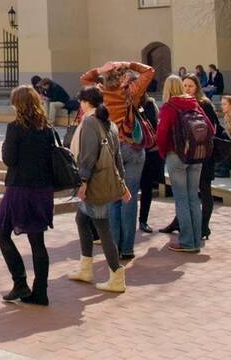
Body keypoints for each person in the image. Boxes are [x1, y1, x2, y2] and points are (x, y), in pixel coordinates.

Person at [79, 60, 154, 260]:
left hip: (111, 147)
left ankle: (113, 247)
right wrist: (130, 63)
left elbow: (84, 79)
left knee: (113, 198)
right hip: (133, 146)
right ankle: (127, 248)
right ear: (123, 76)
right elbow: (149, 71)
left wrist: (99, 69)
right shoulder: (131, 91)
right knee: (130, 198)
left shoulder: (100, 93)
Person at [0, 85, 57, 305]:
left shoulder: (15, 128)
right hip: (43, 189)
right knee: (37, 241)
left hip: (20, 188)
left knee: (1, 231)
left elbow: (9, 159)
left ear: (18, 105)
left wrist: (6, 144)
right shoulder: (46, 128)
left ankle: (20, 282)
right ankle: (40, 291)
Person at [67, 86, 129, 293]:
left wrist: (82, 182)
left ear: (86, 102)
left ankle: (116, 275)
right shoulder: (109, 123)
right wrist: (122, 184)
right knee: (82, 219)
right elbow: (117, 156)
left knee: (103, 228)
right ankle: (86, 268)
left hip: (95, 183)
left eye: (81, 101)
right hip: (106, 180)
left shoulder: (90, 122)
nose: (80, 105)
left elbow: (88, 157)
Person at [155, 75, 213, 252]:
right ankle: (196, 239)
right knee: (193, 198)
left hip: (176, 156)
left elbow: (162, 134)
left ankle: (187, 241)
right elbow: (210, 128)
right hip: (196, 156)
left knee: (181, 199)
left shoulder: (168, 107)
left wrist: (163, 152)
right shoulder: (193, 103)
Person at [181, 74, 227, 238]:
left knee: (204, 189)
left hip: (205, 153)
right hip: (189, 154)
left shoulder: (204, 103)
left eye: (190, 86)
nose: (187, 89)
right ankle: (180, 223)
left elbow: (212, 127)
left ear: (197, 87)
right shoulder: (183, 104)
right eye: (184, 86)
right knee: (185, 191)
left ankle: (204, 226)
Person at [136, 93, 162, 233]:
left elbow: (157, 124)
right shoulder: (124, 103)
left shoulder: (150, 104)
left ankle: (143, 220)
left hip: (149, 151)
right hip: (131, 151)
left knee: (146, 188)